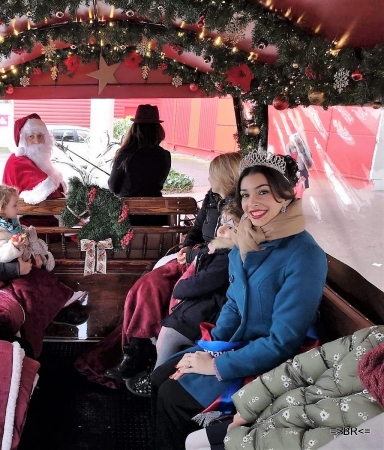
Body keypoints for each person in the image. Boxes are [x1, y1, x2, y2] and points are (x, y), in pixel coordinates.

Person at [151, 150, 328, 449]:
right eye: (246, 194)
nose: (252, 203)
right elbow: (233, 304)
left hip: (276, 360)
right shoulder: (247, 239)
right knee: (161, 376)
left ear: (286, 195)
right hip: (236, 347)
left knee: (173, 396)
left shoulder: (304, 255)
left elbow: (282, 342)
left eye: (263, 192)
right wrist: (210, 349)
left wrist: (218, 366)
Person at [99, 152, 243, 383]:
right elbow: (196, 229)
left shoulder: (239, 209)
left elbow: (226, 249)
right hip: (196, 255)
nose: (208, 178)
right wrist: (186, 249)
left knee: (163, 288)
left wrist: (195, 254)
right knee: (148, 285)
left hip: (210, 261)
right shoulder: (211, 198)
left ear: (224, 177)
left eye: (212, 174)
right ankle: (136, 350)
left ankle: (147, 356)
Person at [185, 326, 384, 450]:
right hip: (272, 411)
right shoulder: (376, 339)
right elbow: (297, 369)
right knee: (192, 441)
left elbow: (346, 440)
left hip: (278, 441)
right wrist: (247, 408)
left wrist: (249, 442)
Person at [125, 203, 242, 398]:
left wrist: (182, 285)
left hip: (210, 313)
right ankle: (151, 360)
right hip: (205, 305)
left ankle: (156, 379)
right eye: (222, 224)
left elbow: (188, 288)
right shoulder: (220, 252)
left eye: (230, 228)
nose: (220, 229)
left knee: (169, 333)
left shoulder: (225, 260)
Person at [0, 184, 89, 329]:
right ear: (1, 208)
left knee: (44, 278)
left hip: (18, 262)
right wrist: (14, 246)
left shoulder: (9, 222)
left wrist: (31, 255)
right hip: (5, 269)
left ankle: (62, 303)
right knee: (30, 287)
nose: (18, 209)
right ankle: (58, 310)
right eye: (14, 205)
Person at [108, 104, 171, 226]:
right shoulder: (165, 155)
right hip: (156, 218)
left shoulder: (125, 154)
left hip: (127, 219)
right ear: (158, 130)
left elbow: (113, 187)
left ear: (135, 129)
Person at [2, 114, 67, 229]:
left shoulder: (36, 159)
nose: (37, 141)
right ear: (23, 140)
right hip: (29, 224)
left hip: (42, 216)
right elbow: (46, 191)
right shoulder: (18, 161)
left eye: (40, 136)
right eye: (31, 136)